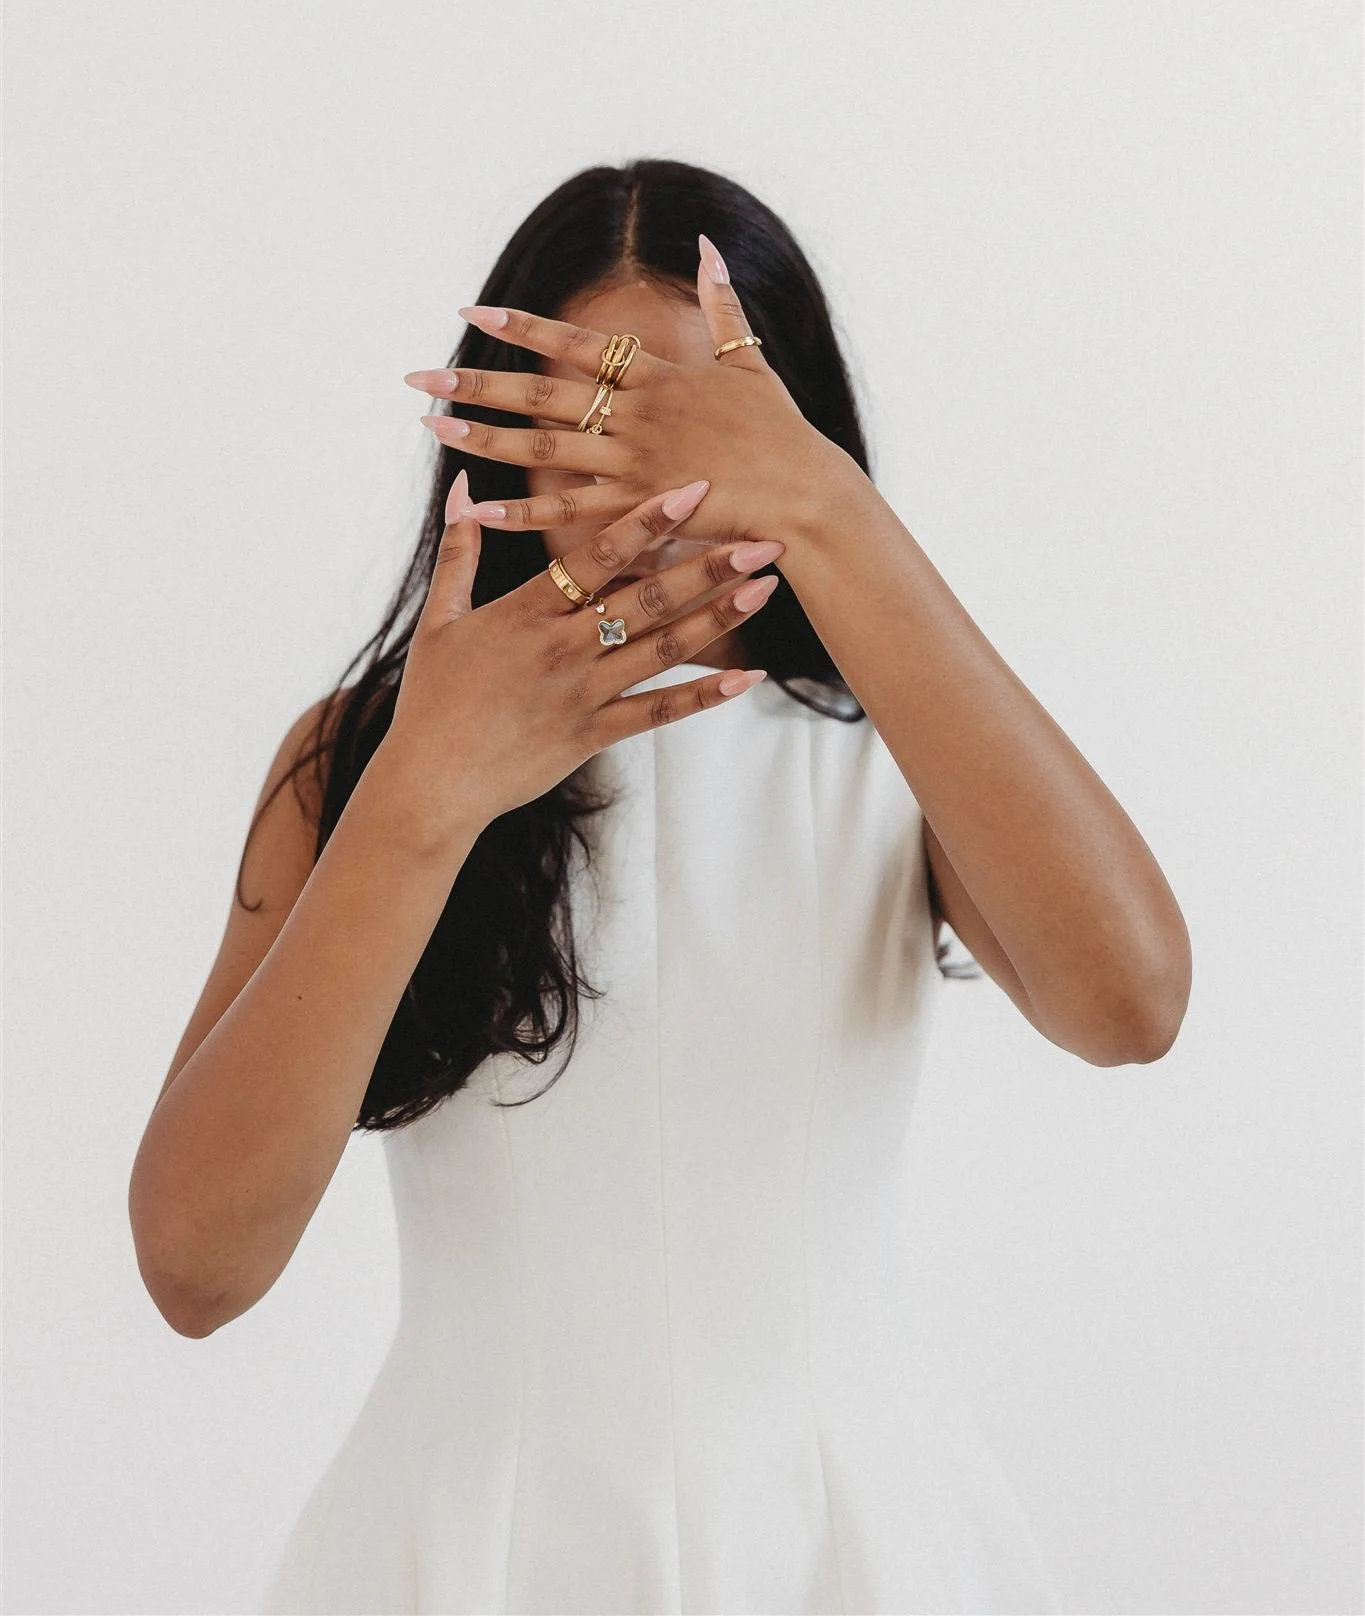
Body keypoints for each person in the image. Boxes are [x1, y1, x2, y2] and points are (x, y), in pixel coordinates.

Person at [129, 158, 1191, 1615]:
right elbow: (197, 1269)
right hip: (465, 1544)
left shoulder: (895, 755)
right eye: (591, 423)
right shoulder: (361, 761)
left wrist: (836, 514)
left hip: (855, 1536)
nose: (659, 484)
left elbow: (1130, 1003)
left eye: (705, 425)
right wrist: (425, 795)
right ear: (500, 442)